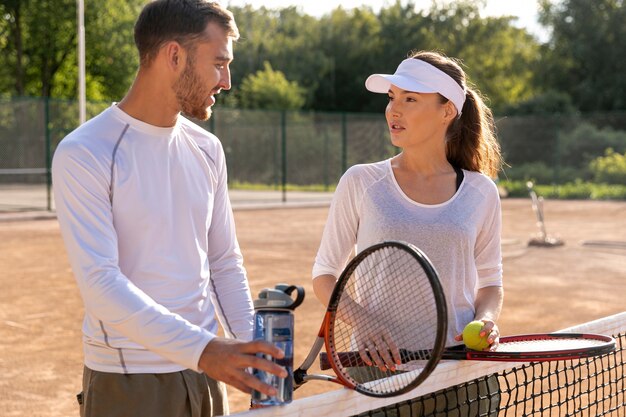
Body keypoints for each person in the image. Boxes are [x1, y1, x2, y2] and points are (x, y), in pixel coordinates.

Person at [52, 1, 286, 416]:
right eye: (218, 63)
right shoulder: (85, 151)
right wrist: (205, 348)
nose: (227, 81)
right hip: (129, 380)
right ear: (174, 55)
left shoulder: (208, 149)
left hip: (206, 375)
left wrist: (254, 353)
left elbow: (224, 263)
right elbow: (101, 285)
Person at [312, 50, 504, 415]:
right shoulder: (361, 181)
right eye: (391, 98)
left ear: (447, 110)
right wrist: (362, 322)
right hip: (374, 375)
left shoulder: (481, 192)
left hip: (459, 375)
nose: (393, 110)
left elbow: (491, 282)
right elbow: (324, 273)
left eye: (410, 99)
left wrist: (487, 320)